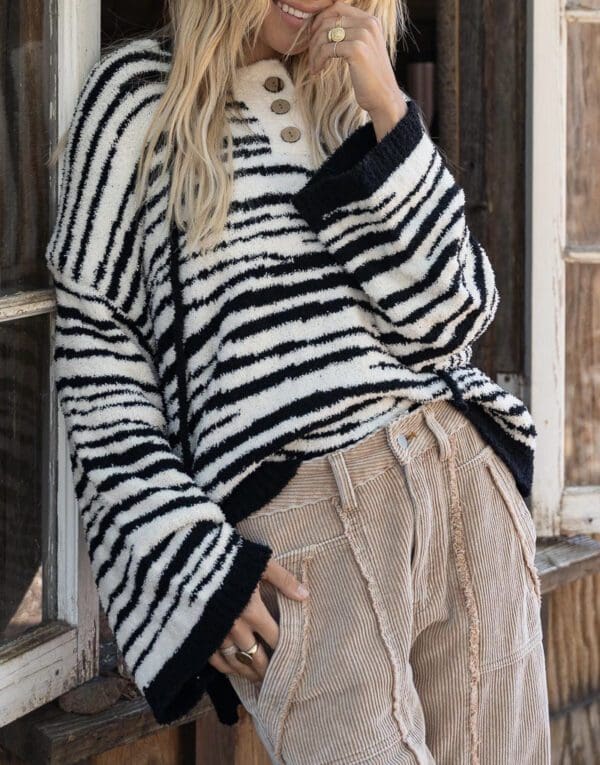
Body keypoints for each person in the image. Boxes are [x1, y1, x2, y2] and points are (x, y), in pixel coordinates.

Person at [45, 0, 551, 761]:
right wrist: (194, 566)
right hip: (309, 523)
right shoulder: (133, 102)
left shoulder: (352, 97)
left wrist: (387, 110)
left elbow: (458, 312)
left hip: (461, 479)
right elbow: (98, 371)